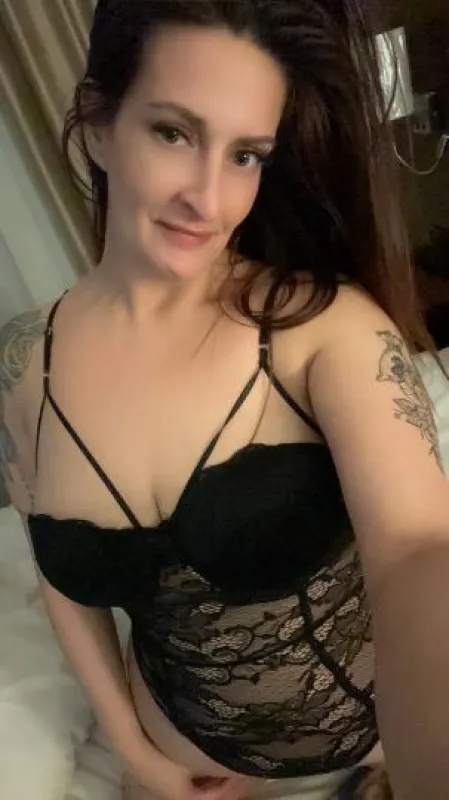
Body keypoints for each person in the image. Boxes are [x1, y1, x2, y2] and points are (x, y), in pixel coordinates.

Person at [1, 1, 448, 798]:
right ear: (98, 124)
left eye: (245, 155)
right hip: (181, 759)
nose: (207, 199)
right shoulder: (23, 361)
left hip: (381, 742)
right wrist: (137, 755)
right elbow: (63, 584)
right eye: (173, 133)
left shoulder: (323, 330)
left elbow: (417, 550)